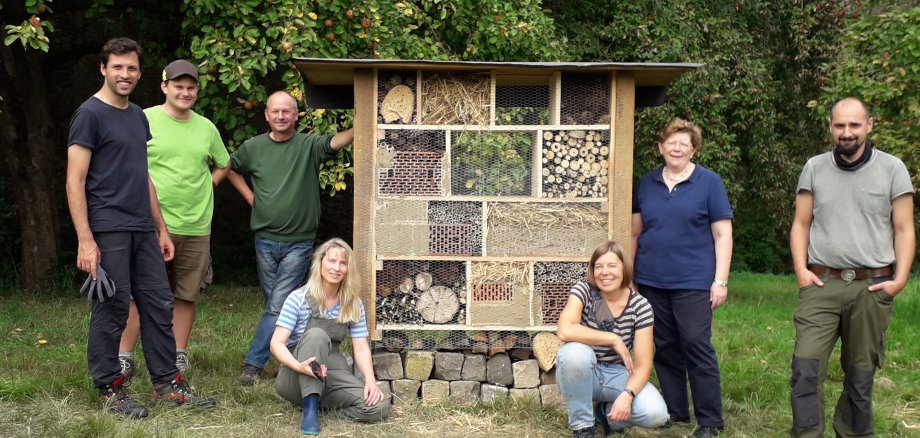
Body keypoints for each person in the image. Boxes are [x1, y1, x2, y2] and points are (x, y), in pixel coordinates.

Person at [65, 38, 215, 419]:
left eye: (131, 68)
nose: (125, 74)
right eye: (117, 67)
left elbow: (143, 176)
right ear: (103, 68)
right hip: (108, 227)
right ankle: (110, 387)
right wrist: (86, 240)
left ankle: (168, 384)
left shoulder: (137, 116)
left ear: (139, 72)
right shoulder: (89, 114)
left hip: (143, 229)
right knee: (113, 307)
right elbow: (74, 180)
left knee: (158, 303)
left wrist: (161, 229)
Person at [789, 97, 914, 437]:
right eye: (840, 125)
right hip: (821, 283)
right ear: (831, 127)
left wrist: (900, 280)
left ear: (869, 126)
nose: (847, 132)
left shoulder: (893, 169)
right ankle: (807, 434)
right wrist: (801, 270)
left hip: (871, 286)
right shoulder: (814, 167)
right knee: (805, 366)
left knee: (860, 374)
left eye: (854, 125)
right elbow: (801, 224)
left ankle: (854, 433)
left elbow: (904, 228)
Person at [228, 91, 354, 385]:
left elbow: (335, 141)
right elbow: (231, 169)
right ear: (267, 115)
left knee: (278, 304)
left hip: (299, 241)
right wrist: (250, 196)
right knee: (279, 304)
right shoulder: (253, 147)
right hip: (265, 239)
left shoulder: (308, 145)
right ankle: (295, 356)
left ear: (296, 116)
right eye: (276, 111)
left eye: (287, 111)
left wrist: (361, 123)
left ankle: (253, 365)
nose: (281, 116)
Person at [117, 59, 231, 380]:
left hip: (195, 226)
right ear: (164, 87)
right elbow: (127, 162)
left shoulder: (207, 127)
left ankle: (178, 354)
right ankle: (124, 356)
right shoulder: (143, 119)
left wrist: (208, 184)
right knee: (138, 294)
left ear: (197, 92)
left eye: (190, 87)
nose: (185, 92)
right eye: (178, 86)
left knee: (185, 294)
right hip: (149, 225)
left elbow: (224, 163)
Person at [630, 118, 733, 438]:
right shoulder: (646, 183)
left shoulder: (709, 182)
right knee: (665, 345)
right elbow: (635, 232)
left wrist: (720, 281)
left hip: (693, 281)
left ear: (694, 149)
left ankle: (710, 421)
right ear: (660, 147)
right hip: (650, 281)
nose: (676, 148)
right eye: (670, 143)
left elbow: (723, 233)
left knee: (696, 345)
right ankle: (675, 412)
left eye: (683, 144)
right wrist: (630, 278)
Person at [270, 237, 390, 435]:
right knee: (316, 335)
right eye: (331, 261)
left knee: (379, 407)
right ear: (320, 263)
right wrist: (298, 366)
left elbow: (360, 347)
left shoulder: (353, 303)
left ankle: (323, 410)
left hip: (332, 375)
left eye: (343, 263)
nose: (336, 267)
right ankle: (309, 409)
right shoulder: (298, 298)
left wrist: (370, 380)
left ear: (348, 269)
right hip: (295, 377)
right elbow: (276, 344)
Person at [556, 241, 669, 437]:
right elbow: (565, 330)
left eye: (612, 266)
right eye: (598, 266)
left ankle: (605, 414)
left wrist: (628, 394)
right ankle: (583, 426)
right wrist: (613, 338)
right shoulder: (583, 291)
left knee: (656, 414)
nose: (604, 272)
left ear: (624, 268)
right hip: (581, 372)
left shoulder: (640, 306)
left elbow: (642, 365)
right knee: (574, 352)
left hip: (616, 374)